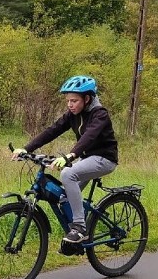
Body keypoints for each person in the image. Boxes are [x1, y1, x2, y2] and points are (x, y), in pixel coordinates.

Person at [11, 75, 118, 244]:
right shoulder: (72, 115)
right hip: (87, 158)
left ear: (87, 98)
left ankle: (80, 228)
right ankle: (75, 242)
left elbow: (89, 137)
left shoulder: (100, 114)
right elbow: (52, 130)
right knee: (64, 197)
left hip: (104, 159)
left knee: (68, 174)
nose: (70, 104)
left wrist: (71, 155)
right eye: (68, 100)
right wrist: (27, 148)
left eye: (74, 100)